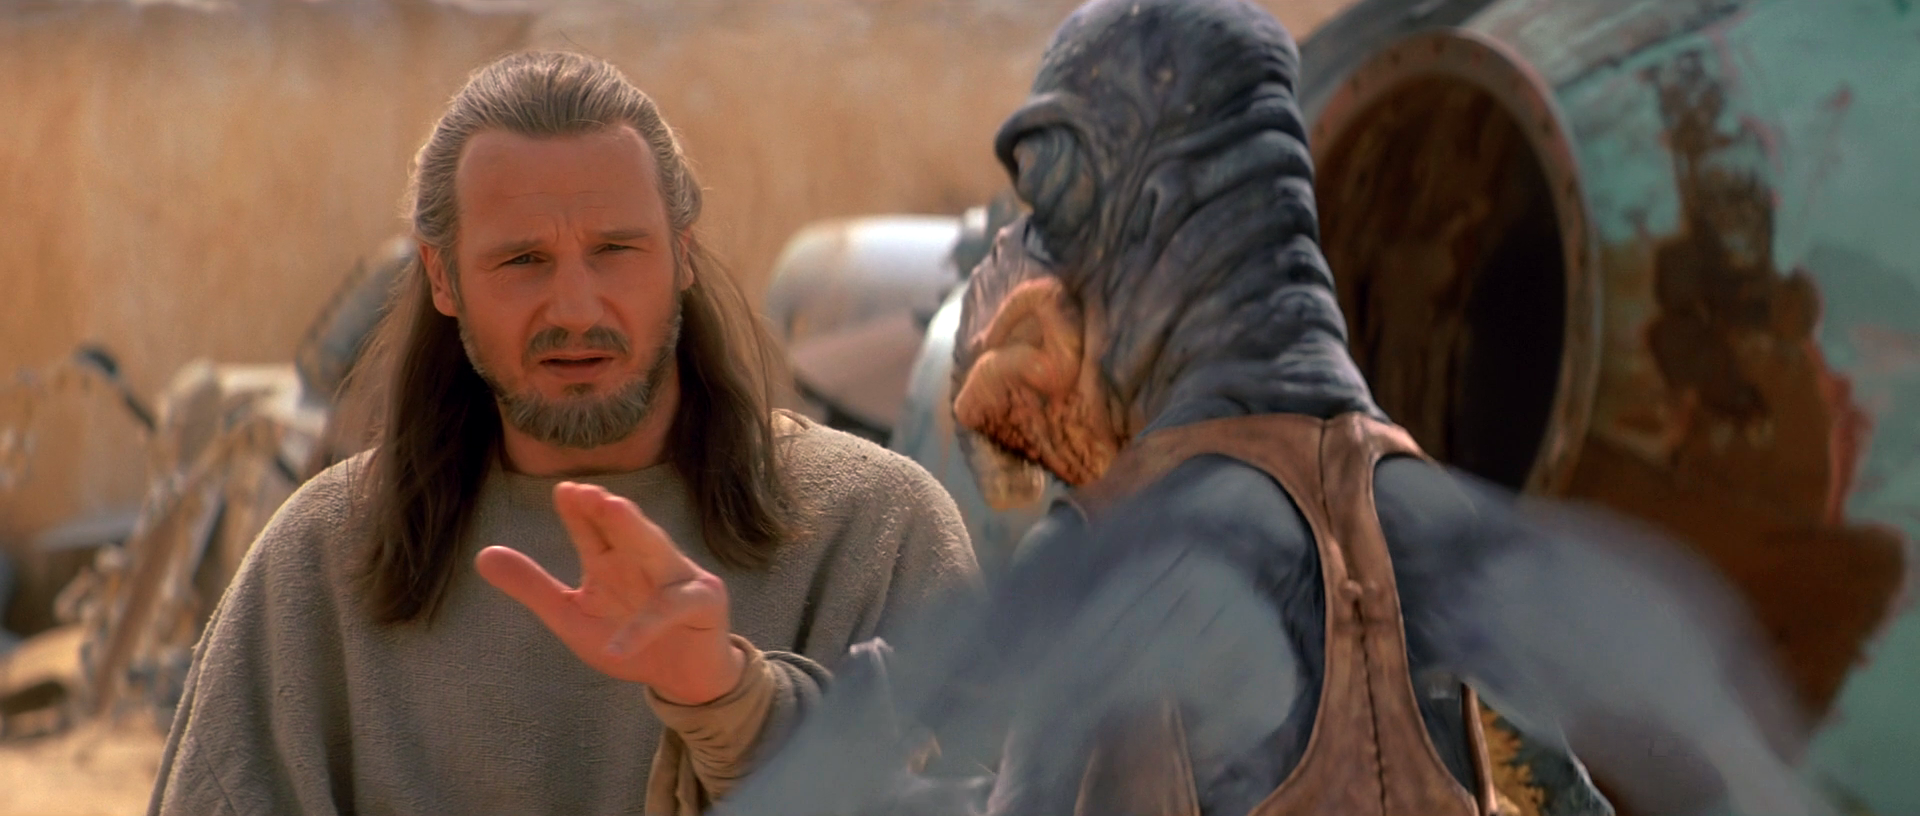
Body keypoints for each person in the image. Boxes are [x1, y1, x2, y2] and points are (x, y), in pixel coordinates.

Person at [715, 2, 1835, 816]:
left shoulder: (1114, 563)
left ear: (1138, 204)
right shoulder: (1463, 534)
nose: (1027, 253)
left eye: (1049, 206)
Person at [147, 50, 977, 816]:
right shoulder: (324, 559)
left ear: (682, 254)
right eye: (523, 261)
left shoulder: (872, 529)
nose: (576, 308)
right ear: (442, 277)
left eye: (615, 249)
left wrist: (734, 709)